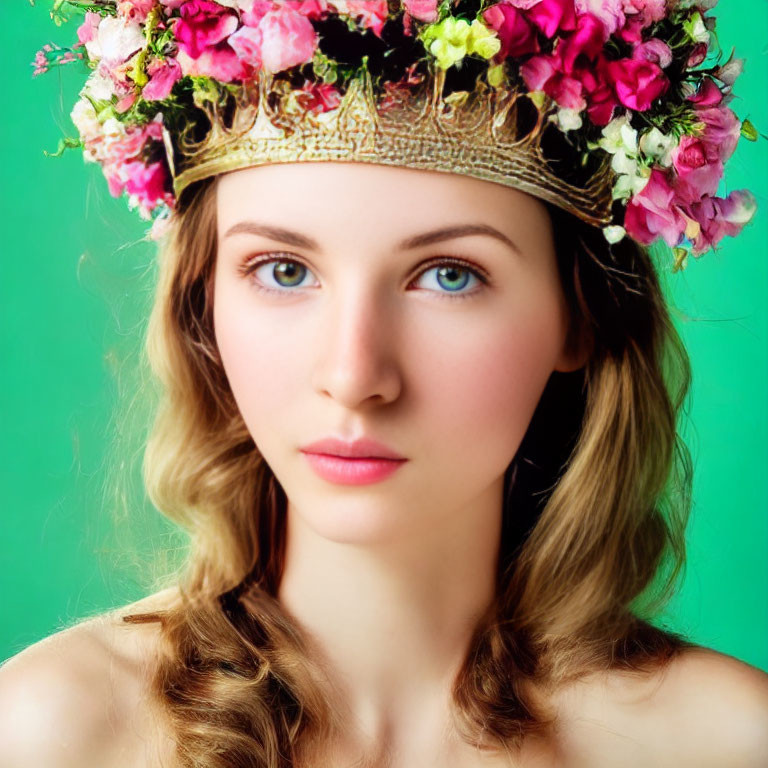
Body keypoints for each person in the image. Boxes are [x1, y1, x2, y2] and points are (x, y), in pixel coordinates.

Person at [2, 2, 767, 767]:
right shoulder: (51, 734)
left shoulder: (726, 743)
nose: (354, 376)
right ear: (202, 303)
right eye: (284, 271)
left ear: (580, 317)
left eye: (449, 275)